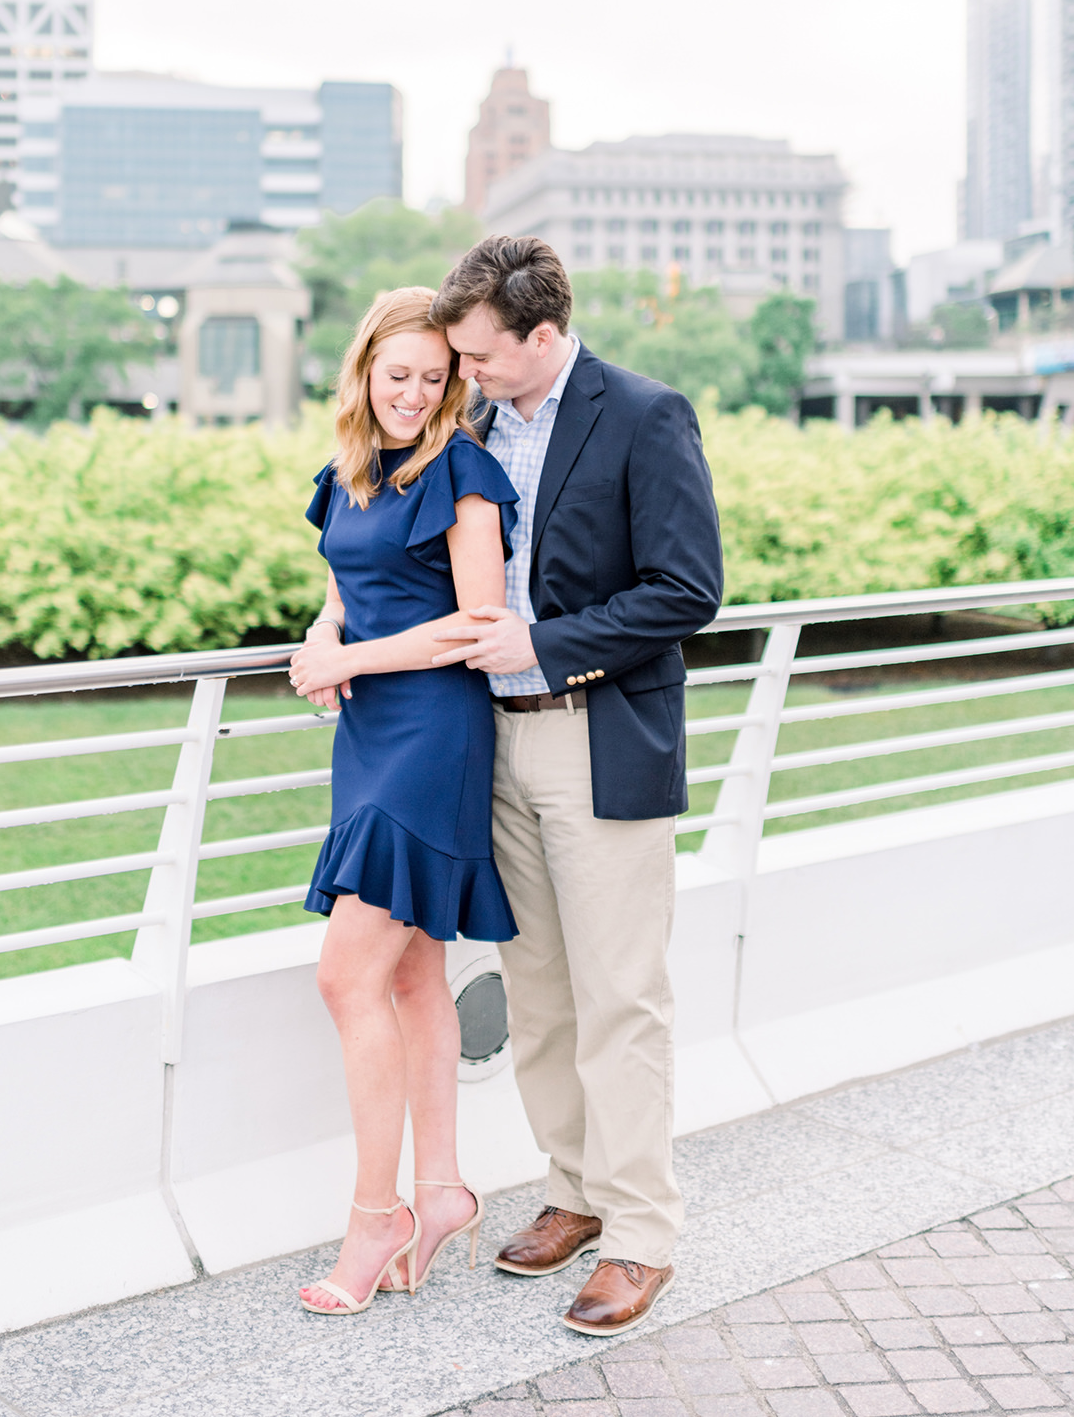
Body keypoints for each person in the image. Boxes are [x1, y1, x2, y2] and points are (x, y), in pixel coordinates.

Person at [429, 236, 723, 1337]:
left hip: (596, 735)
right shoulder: (477, 423)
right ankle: (576, 1193)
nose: (468, 374)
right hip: (490, 745)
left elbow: (687, 590)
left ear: (544, 335)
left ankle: (643, 1236)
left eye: (484, 355)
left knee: (620, 1000)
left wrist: (542, 647)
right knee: (539, 997)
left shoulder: (646, 414)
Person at [286, 285, 521, 1317]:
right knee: (416, 977)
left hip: (433, 732)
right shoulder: (348, 474)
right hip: (369, 733)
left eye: (436, 378)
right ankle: (439, 1193)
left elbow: (477, 621)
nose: (415, 394)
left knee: (348, 979)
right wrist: (315, 643)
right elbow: (341, 592)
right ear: (364, 369)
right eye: (398, 376)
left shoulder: (464, 471)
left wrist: (354, 658)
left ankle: (375, 1216)